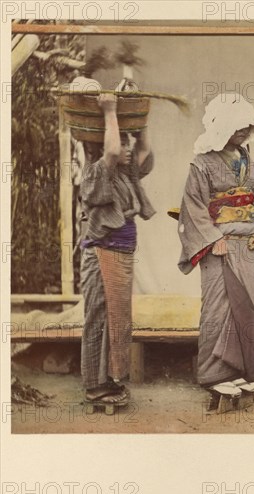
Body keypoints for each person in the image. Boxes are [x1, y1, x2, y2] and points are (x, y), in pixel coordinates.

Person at [177, 93, 254, 400]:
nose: (245, 129)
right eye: (238, 124)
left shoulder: (248, 160)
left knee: (246, 307)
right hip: (218, 246)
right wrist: (212, 239)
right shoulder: (202, 163)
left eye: (249, 123)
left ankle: (238, 371)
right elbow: (192, 206)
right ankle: (212, 373)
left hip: (247, 243)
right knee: (218, 309)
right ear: (221, 127)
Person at [78, 82, 155, 405]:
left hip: (121, 253)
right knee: (99, 315)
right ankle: (96, 386)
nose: (125, 148)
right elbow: (111, 152)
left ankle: (110, 379)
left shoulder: (127, 174)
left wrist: (140, 121)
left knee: (118, 318)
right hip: (101, 253)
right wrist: (110, 111)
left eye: (126, 142)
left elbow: (143, 152)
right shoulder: (97, 172)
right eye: (120, 142)